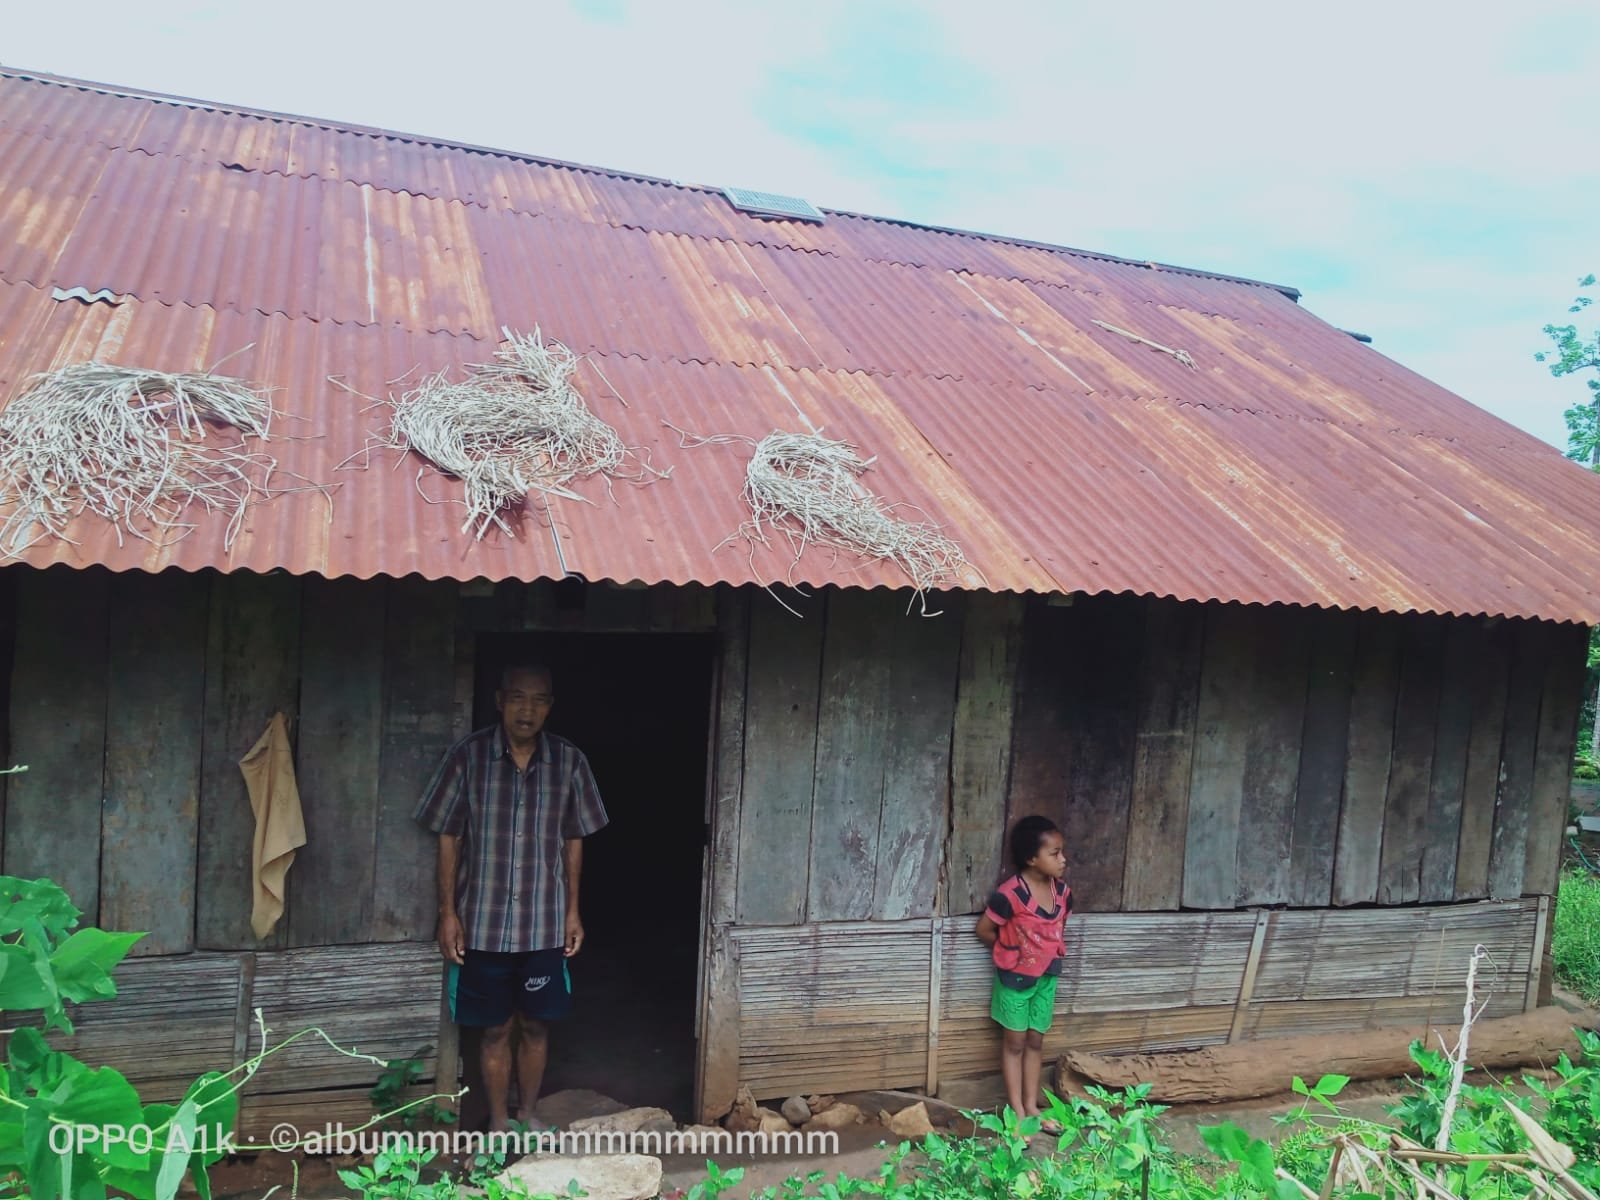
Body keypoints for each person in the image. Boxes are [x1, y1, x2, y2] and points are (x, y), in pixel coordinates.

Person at [414, 662, 609, 1132]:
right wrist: (448, 914)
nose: (528, 709)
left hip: (543, 922)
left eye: (539, 700)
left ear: (550, 707)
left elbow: (574, 838)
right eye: (518, 698)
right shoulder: (468, 757)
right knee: (495, 1028)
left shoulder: (569, 761)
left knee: (537, 1025)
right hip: (482, 921)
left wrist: (573, 911)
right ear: (500, 701)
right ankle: (500, 1122)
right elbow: (448, 835)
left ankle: (529, 1115)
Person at [975, 815, 1073, 1135]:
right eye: (1054, 853)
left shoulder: (1063, 894)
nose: (1063, 859)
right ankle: (1015, 1112)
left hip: (1047, 978)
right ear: (1032, 858)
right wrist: (1010, 950)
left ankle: (1032, 1107)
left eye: (1061, 852)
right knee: (1014, 1043)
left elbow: (1056, 930)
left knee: (1035, 1040)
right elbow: (985, 930)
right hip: (1015, 982)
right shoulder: (1010, 895)